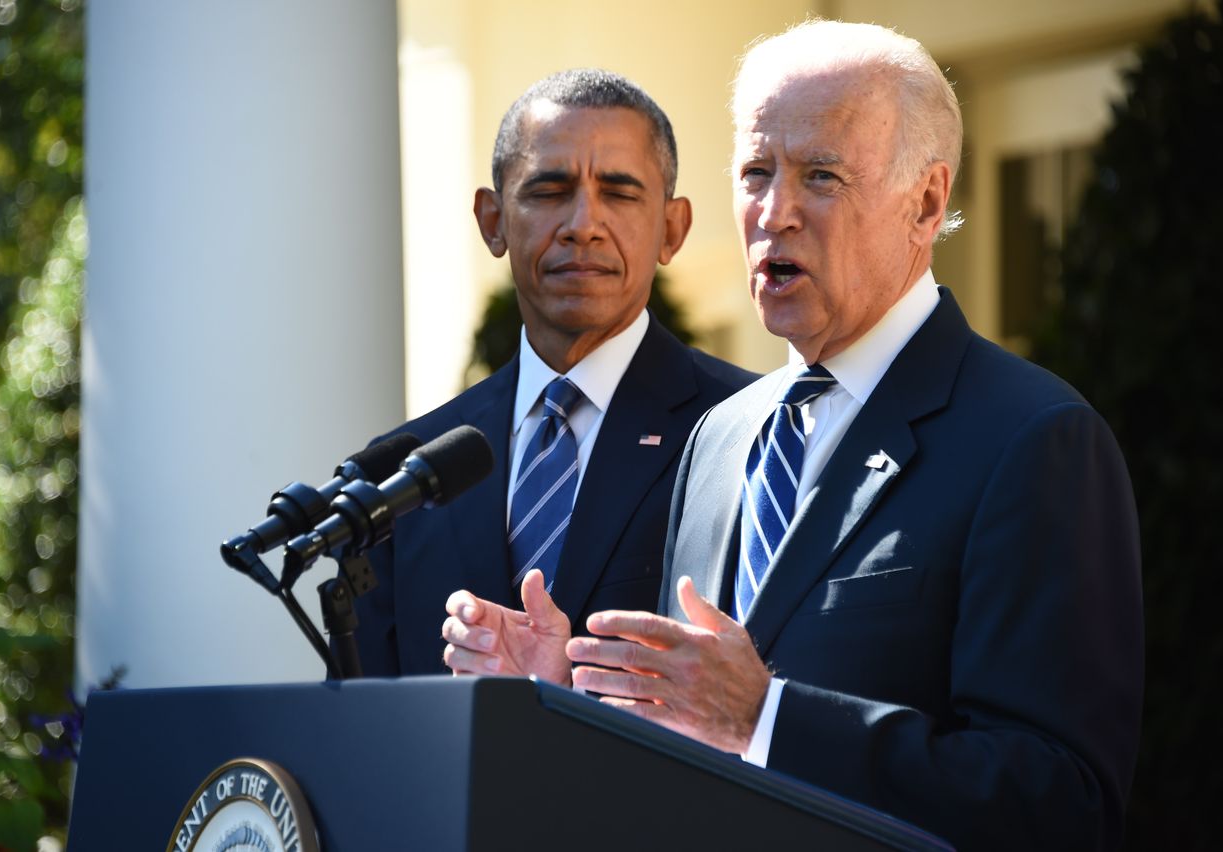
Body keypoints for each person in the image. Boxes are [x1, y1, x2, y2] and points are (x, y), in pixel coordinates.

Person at [444, 22, 1143, 851]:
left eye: (821, 176)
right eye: (755, 173)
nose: (775, 213)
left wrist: (767, 715)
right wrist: (568, 694)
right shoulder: (718, 436)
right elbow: (683, 757)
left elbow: (1057, 805)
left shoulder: (1034, 439)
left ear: (925, 202)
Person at [352, 69, 755, 678]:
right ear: (492, 221)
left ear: (672, 229)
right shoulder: (402, 476)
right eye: (548, 191)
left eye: (619, 192)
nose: (583, 224)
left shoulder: (751, 432)